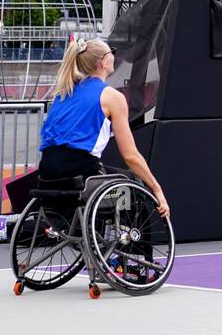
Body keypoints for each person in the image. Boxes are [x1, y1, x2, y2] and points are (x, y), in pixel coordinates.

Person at [38, 38, 169, 217]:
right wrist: (156, 188)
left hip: (47, 170)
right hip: (79, 171)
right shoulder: (111, 97)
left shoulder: (63, 93)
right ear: (104, 62)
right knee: (130, 183)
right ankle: (132, 240)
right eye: (112, 53)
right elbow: (130, 155)